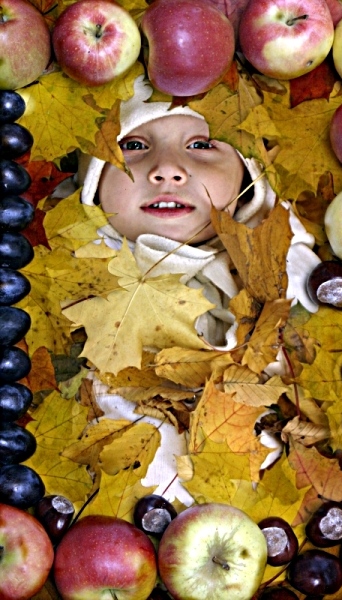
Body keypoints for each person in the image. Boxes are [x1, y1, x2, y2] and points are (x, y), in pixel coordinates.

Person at [64, 74, 320, 504]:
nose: (167, 169)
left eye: (201, 145)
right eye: (133, 146)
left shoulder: (290, 265)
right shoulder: (64, 279)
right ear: (92, 184)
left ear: (246, 183)